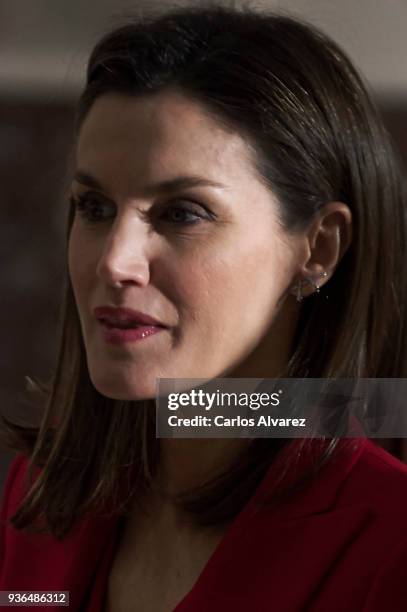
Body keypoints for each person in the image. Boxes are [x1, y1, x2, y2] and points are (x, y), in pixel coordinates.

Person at [1, 4, 407, 611]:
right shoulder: (38, 492)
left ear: (316, 248)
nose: (115, 261)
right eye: (94, 207)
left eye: (182, 213)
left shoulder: (391, 542)